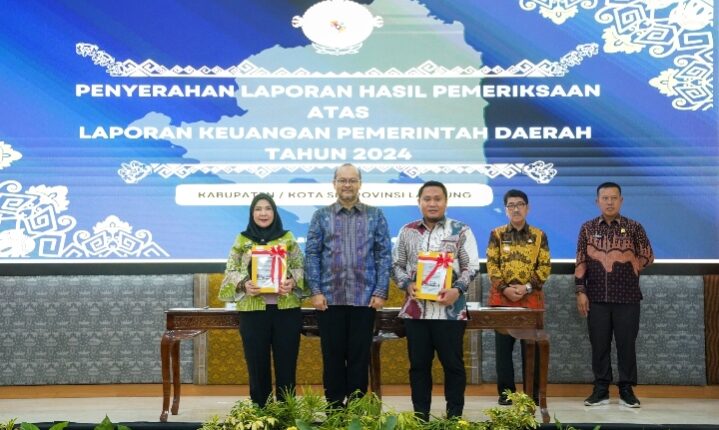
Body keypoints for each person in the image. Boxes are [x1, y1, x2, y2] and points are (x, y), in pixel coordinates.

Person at [305, 163, 392, 407]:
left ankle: (355, 410)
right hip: (329, 299)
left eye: (352, 180)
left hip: (365, 299)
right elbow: (312, 255)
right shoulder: (321, 216)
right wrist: (315, 291)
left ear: (360, 184)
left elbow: (384, 254)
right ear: (334, 184)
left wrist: (380, 291)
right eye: (342, 180)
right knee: (332, 358)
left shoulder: (375, 215)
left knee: (358, 358)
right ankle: (334, 410)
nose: (347, 185)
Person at [392, 180, 480, 420]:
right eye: (427, 199)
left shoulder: (461, 230)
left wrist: (457, 290)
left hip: (449, 312)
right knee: (419, 367)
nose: (432, 203)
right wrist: (407, 284)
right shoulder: (407, 231)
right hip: (416, 312)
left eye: (437, 199)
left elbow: (472, 267)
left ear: (446, 202)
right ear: (419, 202)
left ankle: (454, 418)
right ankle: (421, 418)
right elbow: (396, 265)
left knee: (453, 366)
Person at [218, 193, 307, 407]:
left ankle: (286, 411)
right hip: (253, 311)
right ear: (252, 213)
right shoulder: (242, 239)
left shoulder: (287, 238)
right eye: (258, 209)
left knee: (286, 364)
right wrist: (243, 284)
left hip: (286, 310)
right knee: (257, 365)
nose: (263, 213)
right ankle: (260, 412)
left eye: (268, 209)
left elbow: (301, 267)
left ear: (274, 213)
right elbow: (230, 269)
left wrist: (292, 282)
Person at [575, 182, 654, 408]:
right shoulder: (588, 228)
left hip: (627, 297)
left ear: (621, 200)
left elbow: (648, 255)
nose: (609, 202)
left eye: (613, 198)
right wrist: (580, 291)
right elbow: (581, 261)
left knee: (626, 344)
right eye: (605, 198)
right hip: (596, 297)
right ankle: (601, 389)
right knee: (599, 344)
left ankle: (626, 390)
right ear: (597, 201)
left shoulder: (634, 227)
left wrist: (631, 266)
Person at [486, 189, 551, 406]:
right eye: (511, 205)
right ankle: (506, 394)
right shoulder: (496, 234)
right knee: (503, 351)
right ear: (506, 210)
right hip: (502, 300)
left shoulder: (539, 235)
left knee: (531, 348)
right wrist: (505, 289)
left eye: (520, 204)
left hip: (530, 299)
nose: (516, 209)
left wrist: (526, 287)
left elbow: (544, 266)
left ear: (527, 208)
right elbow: (492, 266)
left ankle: (532, 394)